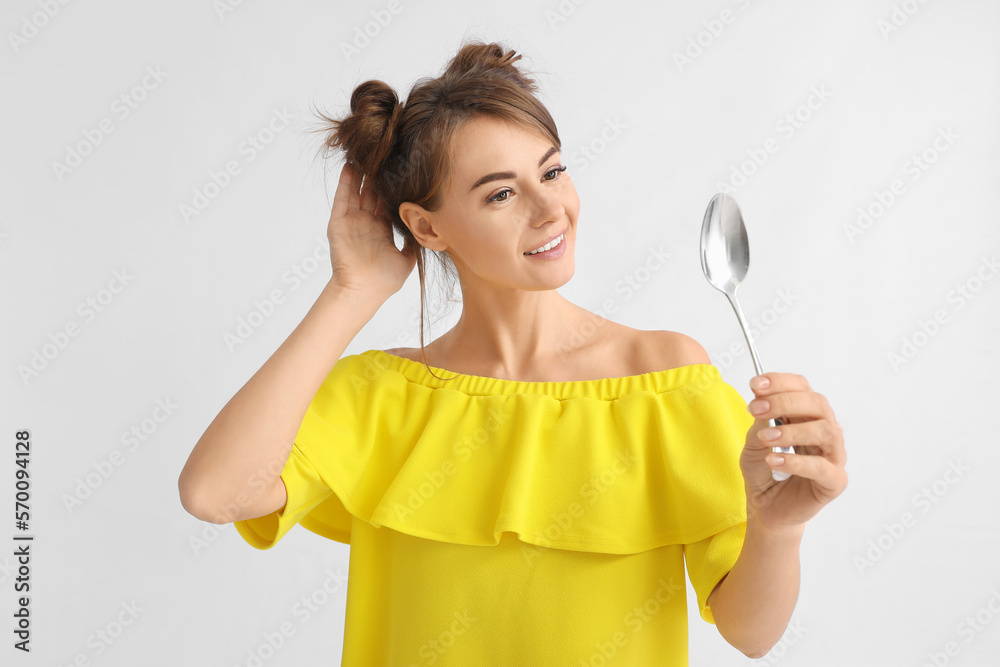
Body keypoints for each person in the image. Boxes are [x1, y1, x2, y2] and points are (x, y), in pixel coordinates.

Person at [178, 40, 848, 666]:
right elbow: (214, 492)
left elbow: (750, 632)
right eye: (501, 193)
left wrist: (777, 529)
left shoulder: (662, 378)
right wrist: (354, 289)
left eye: (552, 170)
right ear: (427, 226)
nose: (548, 208)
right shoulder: (381, 395)